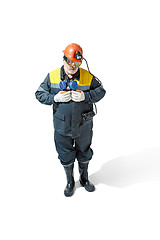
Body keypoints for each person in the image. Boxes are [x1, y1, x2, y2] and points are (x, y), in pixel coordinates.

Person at [35, 43, 106, 197]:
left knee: (84, 152)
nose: (73, 66)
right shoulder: (52, 76)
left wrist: (86, 96)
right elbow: (39, 94)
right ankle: (70, 181)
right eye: (69, 61)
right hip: (62, 127)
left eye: (76, 63)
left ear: (81, 62)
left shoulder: (88, 76)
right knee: (65, 155)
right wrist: (54, 97)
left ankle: (84, 178)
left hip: (83, 126)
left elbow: (101, 92)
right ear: (64, 59)